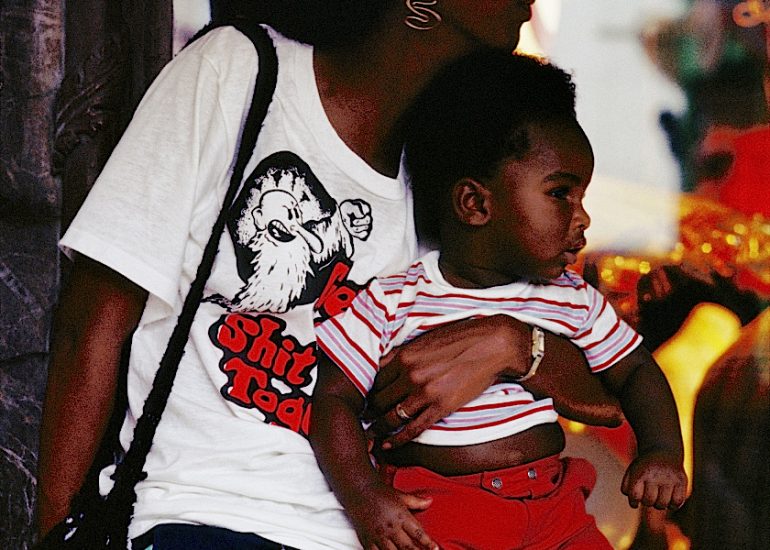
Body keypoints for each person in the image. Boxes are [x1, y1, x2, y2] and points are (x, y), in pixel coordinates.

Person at [37, 2, 623, 548]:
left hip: (386, 529)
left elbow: (608, 391)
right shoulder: (240, 74)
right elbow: (93, 323)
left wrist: (517, 343)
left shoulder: (460, 173)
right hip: (202, 513)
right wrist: (56, 533)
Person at [312, 51, 688, 550]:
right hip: (445, 514)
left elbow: (637, 370)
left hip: (557, 512)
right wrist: (364, 495)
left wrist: (663, 449)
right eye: (561, 194)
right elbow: (334, 400)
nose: (583, 219)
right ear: (475, 204)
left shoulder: (571, 298)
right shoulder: (395, 299)